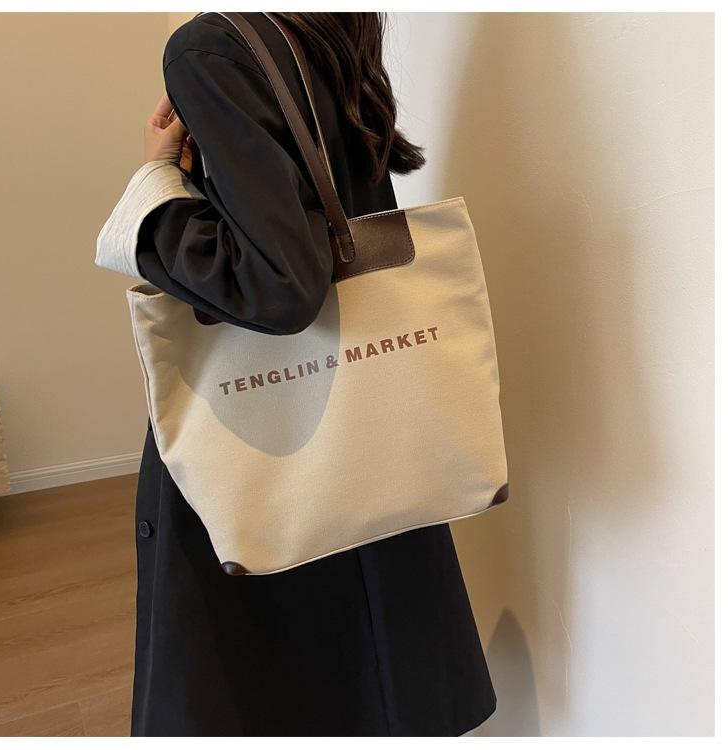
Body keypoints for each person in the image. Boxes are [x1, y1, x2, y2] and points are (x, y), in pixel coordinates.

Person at [97, 11, 497, 737]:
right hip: (370, 418)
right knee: (371, 670)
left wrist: (155, 191)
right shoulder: (327, 30)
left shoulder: (212, 47)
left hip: (271, 437)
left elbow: (279, 286)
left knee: (258, 682)